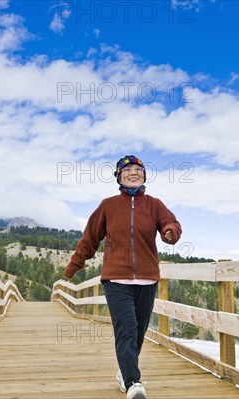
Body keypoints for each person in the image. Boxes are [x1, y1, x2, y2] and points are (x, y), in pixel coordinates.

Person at [65, 155, 182, 399]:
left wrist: (170, 232)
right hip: (116, 279)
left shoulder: (154, 204)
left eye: (138, 169)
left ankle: (125, 371)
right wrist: (73, 267)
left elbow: (170, 222)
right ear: (119, 176)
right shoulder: (108, 205)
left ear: (144, 175)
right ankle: (133, 384)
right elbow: (90, 239)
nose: (133, 173)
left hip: (147, 280)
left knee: (138, 332)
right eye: (127, 170)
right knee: (126, 328)